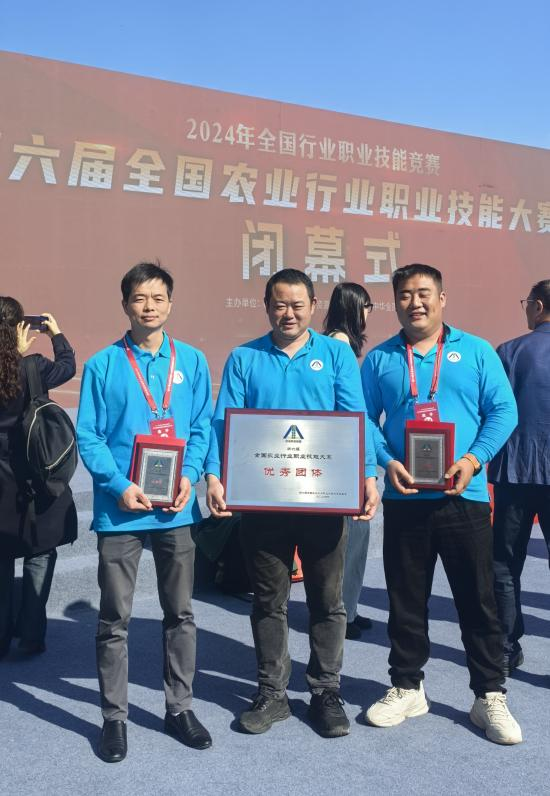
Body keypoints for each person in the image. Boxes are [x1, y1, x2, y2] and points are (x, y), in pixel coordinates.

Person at [206, 268, 379, 739]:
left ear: (313, 306)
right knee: (268, 600)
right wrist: (213, 475)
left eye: (298, 305)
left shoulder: (336, 355)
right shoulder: (244, 358)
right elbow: (224, 422)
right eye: (280, 304)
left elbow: (355, 416)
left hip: (324, 500)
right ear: (267, 306)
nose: (289, 313)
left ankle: (325, 691)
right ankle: (272, 693)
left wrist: (367, 474)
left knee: (327, 600)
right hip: (263, 501)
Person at [361, 263, 523, 745]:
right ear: (395, 301)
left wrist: (474, 460)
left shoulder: (475, 351)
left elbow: (504, 410)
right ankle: (407, 686)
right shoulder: (381, 359)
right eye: (405, 295)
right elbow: (362, 418)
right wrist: (387, 460)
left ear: (442, 298)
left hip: (463, 497)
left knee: (478, 600)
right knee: (405, 599)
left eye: (424, 293)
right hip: (406, 496)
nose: (415, 303)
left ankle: (489, 694)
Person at [76, 262, 213, 763]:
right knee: (115, 617)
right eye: (139, 298)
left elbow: (201, 426)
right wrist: (119, 486)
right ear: (125, 305)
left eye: (158, 297)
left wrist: (190, 475)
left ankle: (179, 708)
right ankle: (114, 718)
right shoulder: (103, 365)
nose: (149, 306)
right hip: (121, 511)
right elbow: (88, 435)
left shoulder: (192, 361)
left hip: (176, 507)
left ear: (170, 304)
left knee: (181, 613)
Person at [0, 299, 77, 659]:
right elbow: (67, 366)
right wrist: (56, 334)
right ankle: (31, 634)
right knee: (39, 552)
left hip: (1, 482)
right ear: (20, 328)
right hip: (35, 477)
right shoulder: (32, 367)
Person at [488, 279, 550, 676]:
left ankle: (507, 647)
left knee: (505, 563)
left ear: (539, 306)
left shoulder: (510, 351)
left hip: (515, 473)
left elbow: (494, 411)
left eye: (528, 302)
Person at [323, 282, 374, 640]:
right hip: (344, 455)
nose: (369, 313)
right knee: (352, 537)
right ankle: (342, 612)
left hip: (337, 453)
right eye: (367, 306)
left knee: (350, 538)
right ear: (356, 307)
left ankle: (345, 608)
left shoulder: (331, 341)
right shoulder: (340, 344)